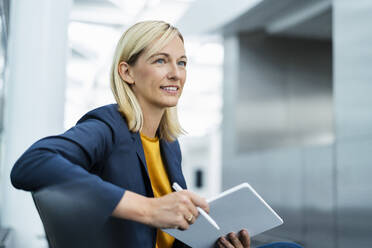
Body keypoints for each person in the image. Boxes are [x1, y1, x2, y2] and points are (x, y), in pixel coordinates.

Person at [10, 20, 251, 248]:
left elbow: (163, 238)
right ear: (127, 72)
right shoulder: (107, 127)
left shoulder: (169, 144)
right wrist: (148, 208)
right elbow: (32, 163)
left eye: (182, 62)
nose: (176, 73)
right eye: (160, 61)